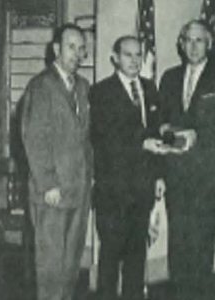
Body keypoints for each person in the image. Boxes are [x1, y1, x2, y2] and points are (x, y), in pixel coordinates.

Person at [158, 20, 215, 297]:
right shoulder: (168, 77)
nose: (193, 46)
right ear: (181, 44)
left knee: (202, 242)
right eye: (188, 40)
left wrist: (197, 135)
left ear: (209, 44)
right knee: (178, 241)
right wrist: (164, 128)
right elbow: (160, 118)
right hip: (176, 173)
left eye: (199, 40)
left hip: (208, 176)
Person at [89, 36, 165, 300]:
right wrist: (142, 144)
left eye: (138, 55)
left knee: (136, 257)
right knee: (110, 258)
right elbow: (104, 138)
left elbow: (155, 131)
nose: (134, 61)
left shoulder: (149, 87)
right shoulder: (101, 92)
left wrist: (158, 175)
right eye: (127, 55)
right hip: (114, 190)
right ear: (115, 57)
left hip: (142, 190)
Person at [21, 23, 92, 300]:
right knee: (50, 267)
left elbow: (86, 139)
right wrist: (48, 182)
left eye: (82, 48)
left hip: (79, 189)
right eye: (71, 47)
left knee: (70, 266)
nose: (77, 53)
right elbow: (33, 138)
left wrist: (91, 176)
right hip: (52, 192)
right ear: (56, 49)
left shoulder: (84, 87)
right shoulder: (41, 86)